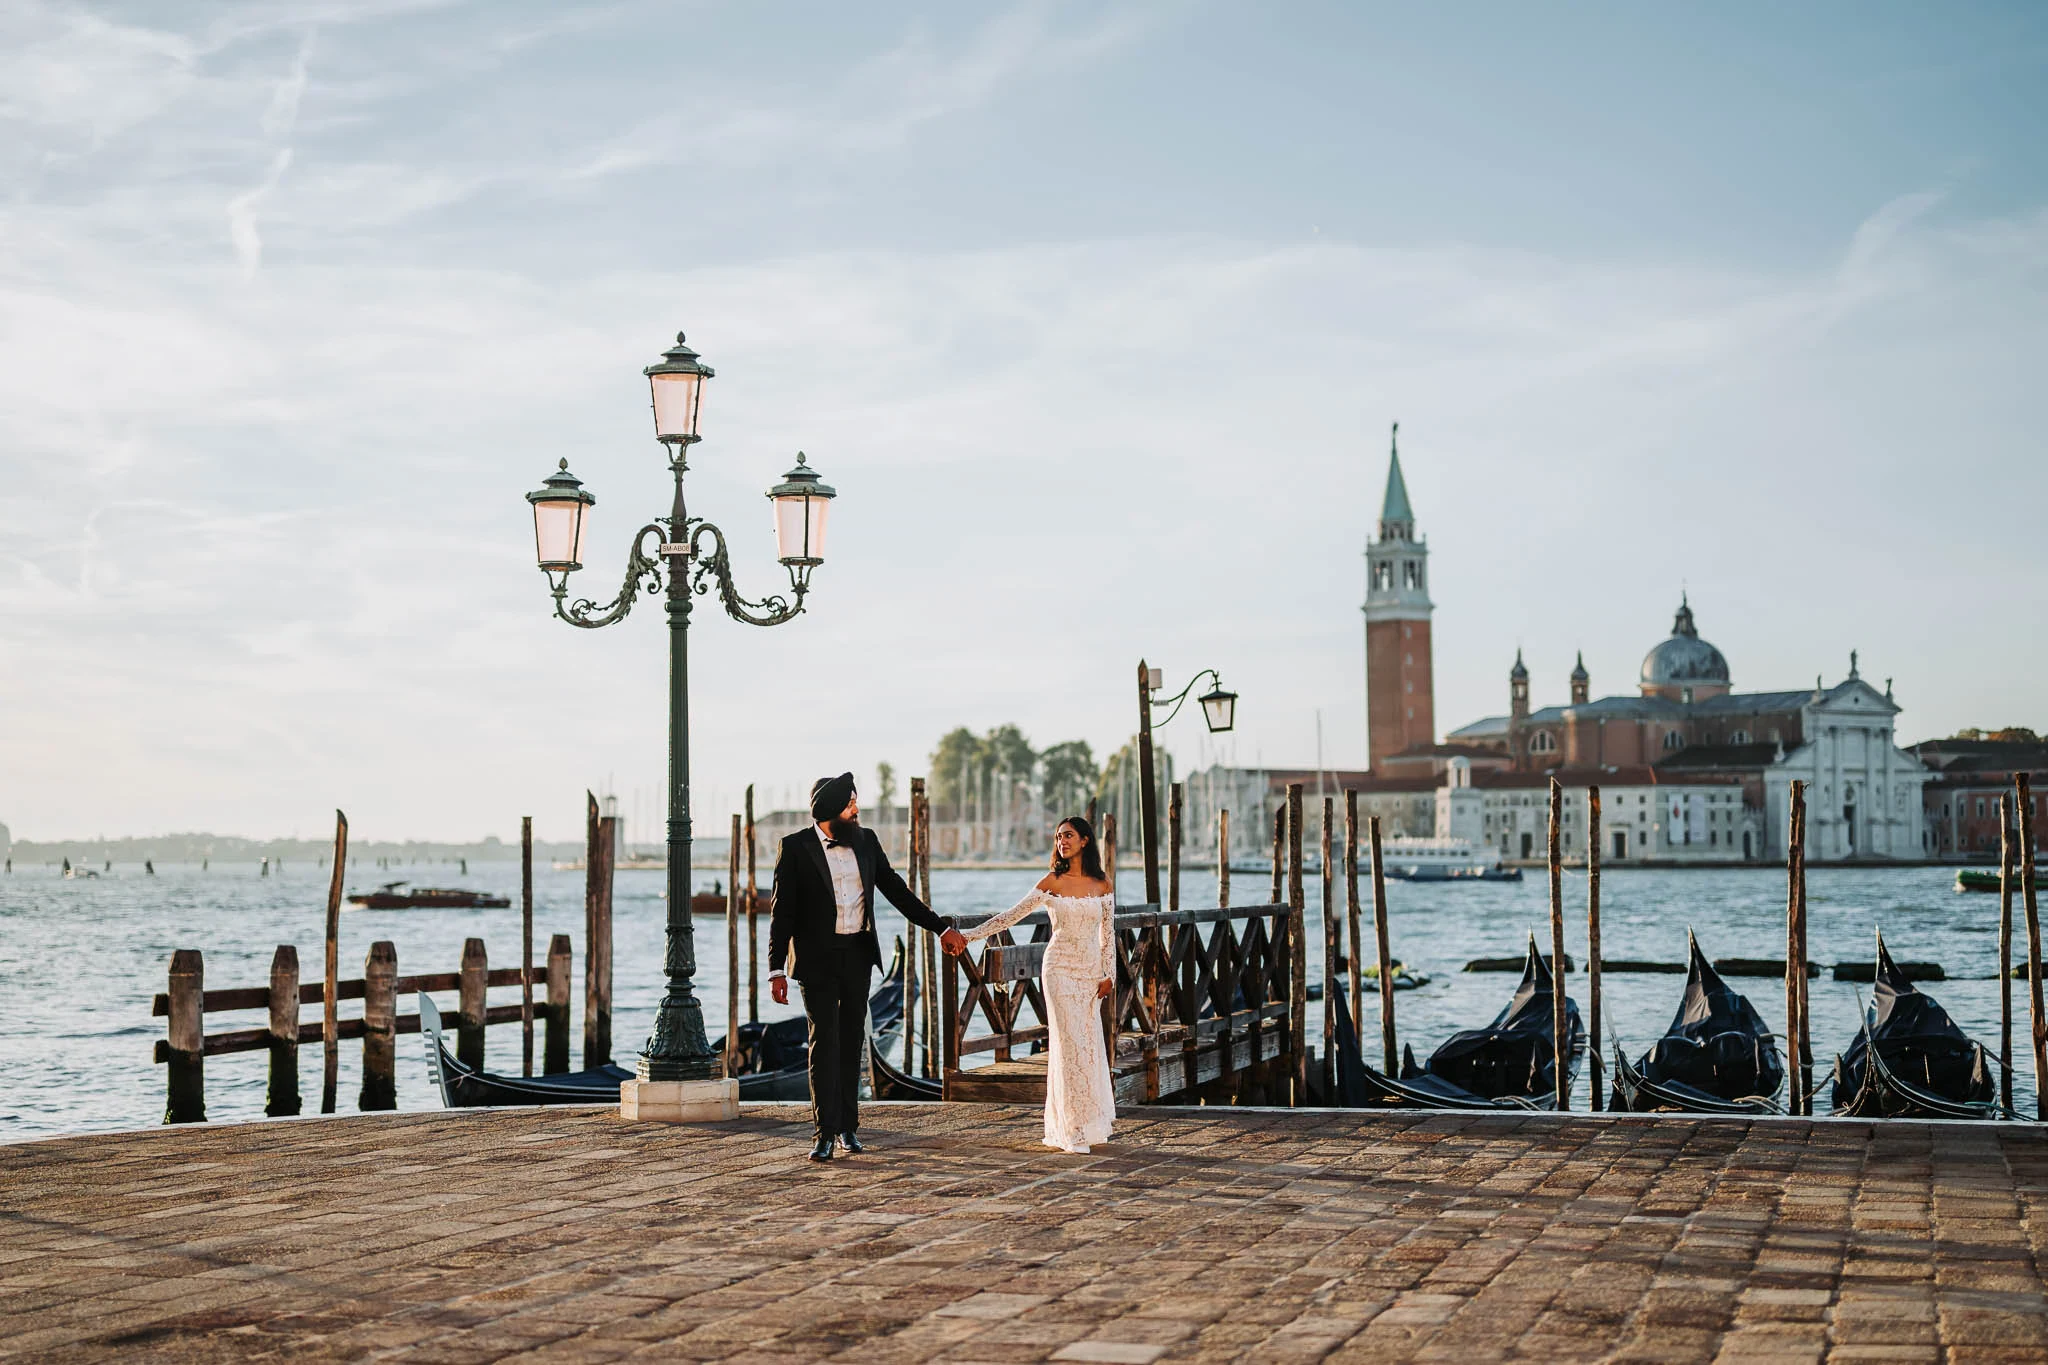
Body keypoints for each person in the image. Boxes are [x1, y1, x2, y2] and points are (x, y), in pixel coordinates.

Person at [769, 772, 965, 1162]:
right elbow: (782, 912)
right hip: (815, 961)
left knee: (851, 1042)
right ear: (829, 810)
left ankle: (848, 1129)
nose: (856, 809)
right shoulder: (794, 847)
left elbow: (896, 891)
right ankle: (824, 1132)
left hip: (857, 955)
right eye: (850, 804)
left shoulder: (866, 840)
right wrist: (776, 969)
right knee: (823, 1043)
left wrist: (940, 927)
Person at [948, 816, 1116, 1153]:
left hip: (1089, 973)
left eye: (1068, 836)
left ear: (1085, 840)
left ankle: (1089, 1124)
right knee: (1068, 1046)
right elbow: (1010, 916)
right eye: (1057, 837)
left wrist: (1109, 973)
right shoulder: (1051, 881)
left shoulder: (1103, 884)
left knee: (1088, 1047)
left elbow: (1107, 935)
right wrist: (969, 935)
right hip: (1059, 970)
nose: (1061, 842)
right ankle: (1072, 1132)